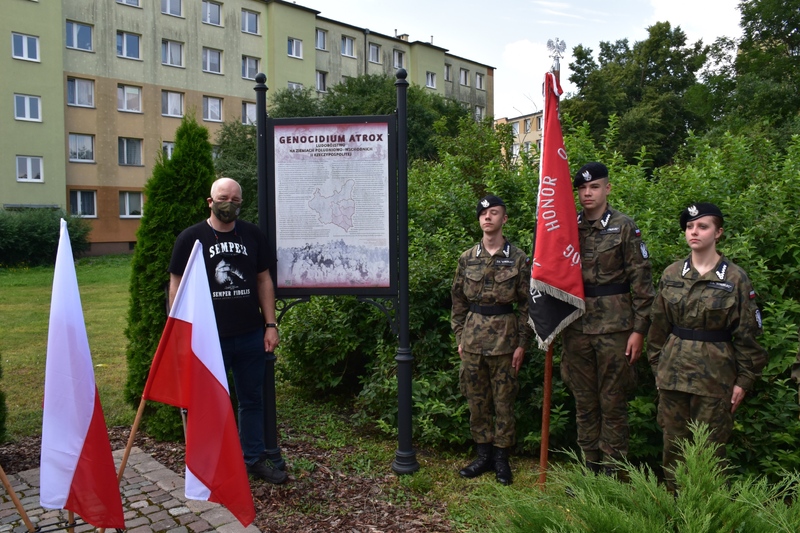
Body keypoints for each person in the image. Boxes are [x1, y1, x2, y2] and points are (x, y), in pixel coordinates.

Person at [168, 177, 287, 485]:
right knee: (209, 403)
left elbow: (263, 280)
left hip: (249, 334)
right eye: (223, 197)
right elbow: (176, 285)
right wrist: (180, 330)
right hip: (209, 338)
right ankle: (212, 464)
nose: (229, 203)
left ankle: (254, 458)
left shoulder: (252, 235)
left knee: (251, 400)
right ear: (210, 200)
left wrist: (271, 324)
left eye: (235, 199)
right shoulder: (190, 238)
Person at [647, 202, 767, 491]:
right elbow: (657, 328)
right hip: (673, 377)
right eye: (690, 227)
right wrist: (659, 368)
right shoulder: (672, 274)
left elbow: (749, 336)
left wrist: (743, 381)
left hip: (715, 379)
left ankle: (707, 513)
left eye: (702, 226)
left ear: (718, 233)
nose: (694, 231)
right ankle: (675, 511)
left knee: (711, 450)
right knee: (673, 448)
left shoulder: (735, 278)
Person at [561, 162, 655, 474]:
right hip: (575, 326)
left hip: (615, 327)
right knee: (585, 401)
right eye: (583, 188)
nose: (588, 193)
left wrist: (639, 330)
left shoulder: (624, 226)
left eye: (595, 187)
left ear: (607, 189)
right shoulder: (564, 227)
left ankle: (614, 472)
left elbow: (642, 282)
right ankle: (591, 468)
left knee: (613, 402)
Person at [451, 195, 531, 485]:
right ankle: (482, 455)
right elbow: (457, 301)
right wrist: (460, 335)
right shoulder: (467, 258)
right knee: (477, 401)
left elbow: (526, 305)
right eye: (483, 213)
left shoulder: (519, 258)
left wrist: (522, 342)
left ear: (504, 219)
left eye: (494, 213)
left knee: (504, 402)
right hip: (472, 340)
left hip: (505, 341)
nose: (487, 217)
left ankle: (501, 458)